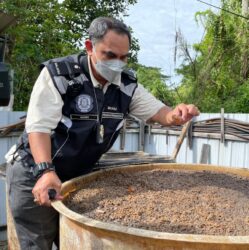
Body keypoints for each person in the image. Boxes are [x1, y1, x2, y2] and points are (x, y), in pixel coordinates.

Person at [5, 16, 199, 249]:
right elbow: (38, 127)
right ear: (90, 47)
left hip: (78, 178)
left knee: (76, 243)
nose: (118, 63)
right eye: (110, 55)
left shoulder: (126, 85)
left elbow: (159, 112)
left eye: (124, 57)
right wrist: (45, 171)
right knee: (37, 244)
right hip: (36, 172)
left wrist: (177, 115)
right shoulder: (60, 75)